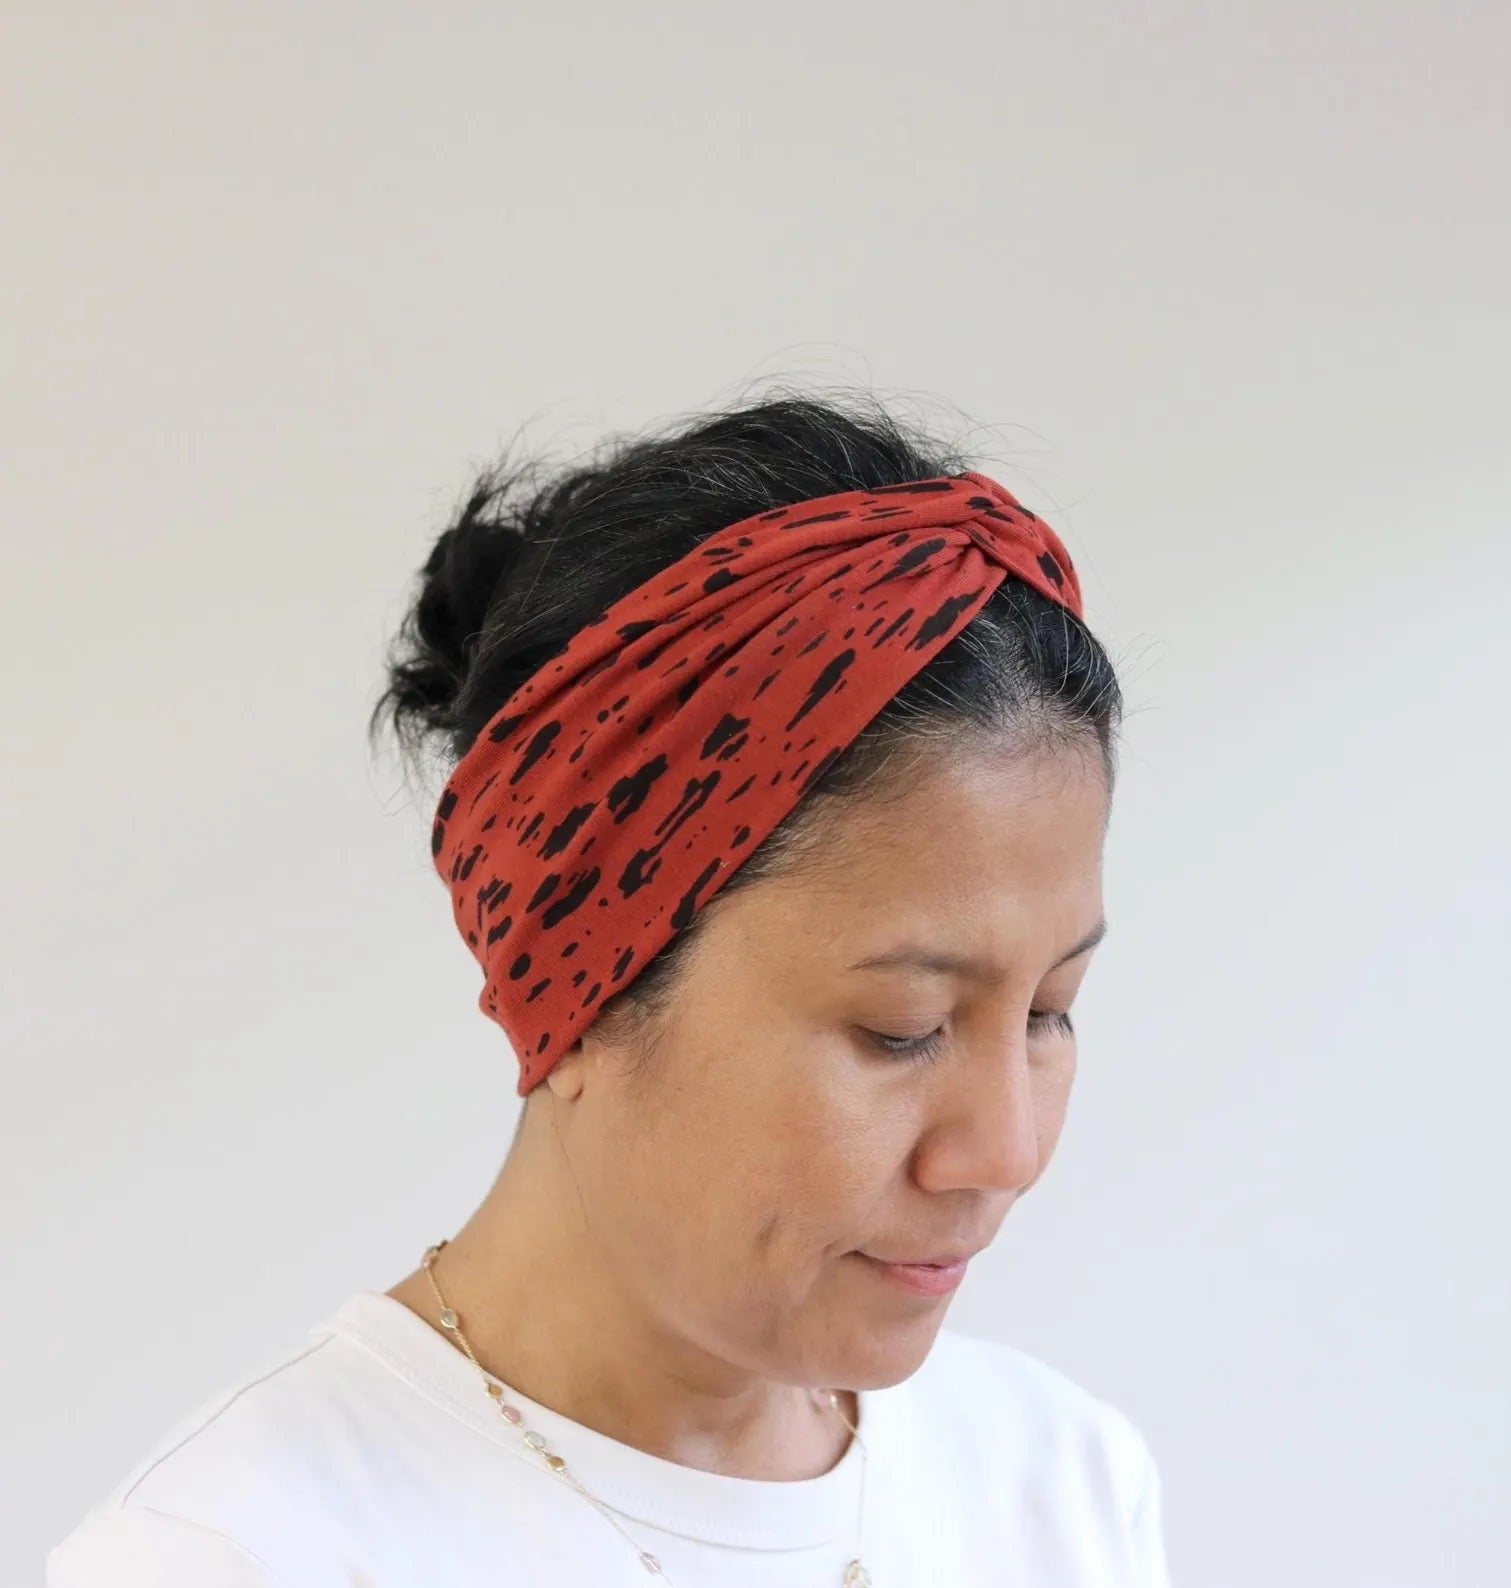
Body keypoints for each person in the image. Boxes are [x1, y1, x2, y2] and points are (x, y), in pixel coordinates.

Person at [48, 390, 1172, 1586]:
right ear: (584, 992)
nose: (1006, 1151)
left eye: (1049, 1010)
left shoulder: (1058, 1487)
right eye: (903, 1029)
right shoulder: (239, 1553)